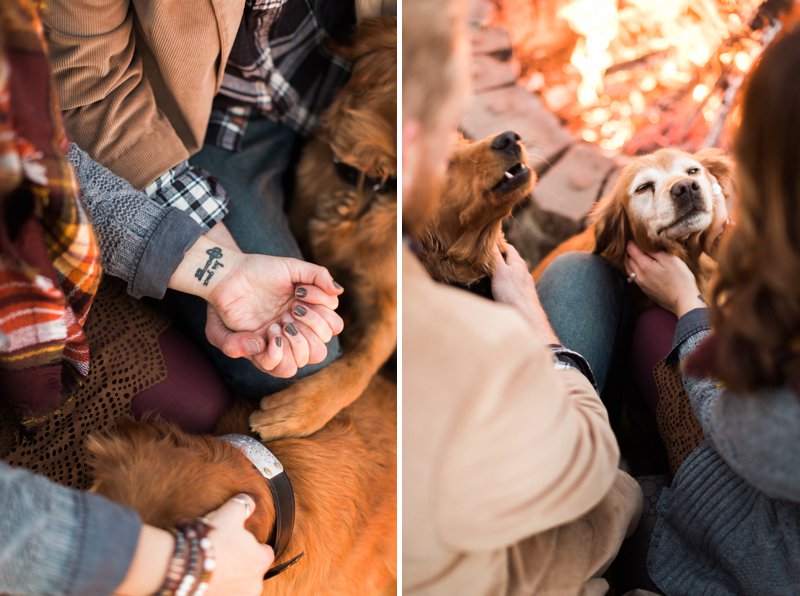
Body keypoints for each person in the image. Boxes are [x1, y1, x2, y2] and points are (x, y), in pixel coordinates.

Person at [0, 3, 273, 593]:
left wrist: (218, 271)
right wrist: (179, 568)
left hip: (32, 317)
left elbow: (43, 164)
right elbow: (92, 93)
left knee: (208, 413)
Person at [402, 1, 642, 594]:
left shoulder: (393, 266)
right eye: (448, 158)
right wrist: (537, 326)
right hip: (544, 559)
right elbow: (592, 461)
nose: (495, 139)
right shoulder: (482, 345)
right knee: (580, 277)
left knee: (576, 274)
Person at [41, 0, 380, 397]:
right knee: (293, 366)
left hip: (349, 101)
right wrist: (222, 267)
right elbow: (92, 91)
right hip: (200, 122)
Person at [620, 26, 800, 593]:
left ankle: (634, 471)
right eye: (650, 185)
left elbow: (749, 430)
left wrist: (687, 306)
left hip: (762, 547)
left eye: (695, 173)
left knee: (650, 326)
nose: (683, 186)